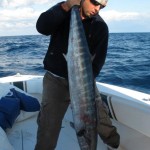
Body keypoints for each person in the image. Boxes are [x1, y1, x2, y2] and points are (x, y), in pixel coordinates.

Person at [35, 0, 120, 150]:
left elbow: (97, 64)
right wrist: (67, 6)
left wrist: (80, 87)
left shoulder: (100, 27)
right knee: (48, 127)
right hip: (55, 79)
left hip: (84, 82)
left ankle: (115, 145)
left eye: (102, 6)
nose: (97, 8)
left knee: (101, 119)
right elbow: (42, 27)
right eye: (94, 2)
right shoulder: (63, 11)